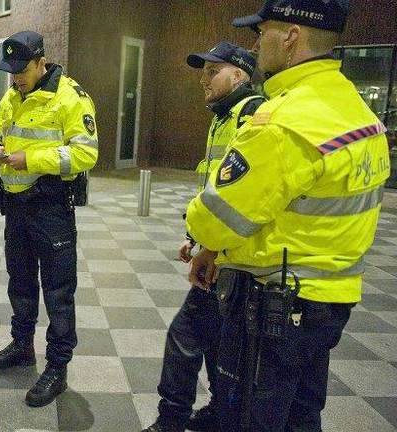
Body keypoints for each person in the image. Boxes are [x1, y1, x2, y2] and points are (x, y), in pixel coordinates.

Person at [185, 1, 390, 431]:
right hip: (331, 300)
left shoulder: (283, 121)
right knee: (300, 414)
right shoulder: (360, 114)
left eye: (263, 34)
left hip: (273, 306)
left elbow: (214, 219)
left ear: (291, 37)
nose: (256, 45)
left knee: (251, 418)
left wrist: (201, 228)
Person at [142, 41, 264, 432]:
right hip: (221, 252)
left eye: (214, 71)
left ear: (239, 75)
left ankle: (171, 420)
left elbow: (242, 198)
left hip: (237, 258)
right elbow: (214, 192)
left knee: (186, 335)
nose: (204, 79)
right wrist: (196, 239)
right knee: (215, 339)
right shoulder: (224, 116)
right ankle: (215, 412)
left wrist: (209, 246)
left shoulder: (251, 115)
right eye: (203, 71)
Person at [0, 30, 98, 408]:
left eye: (21, 70)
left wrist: (29, 159)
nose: (15, 77)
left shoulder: (71, 97)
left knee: (59, 292)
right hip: (15, 206)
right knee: (20, 282)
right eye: (10, 70)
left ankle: (58, 369)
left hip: (51, 209)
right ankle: (21, 346)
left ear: (41, 62)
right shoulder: (12, 96)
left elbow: (84, 155)